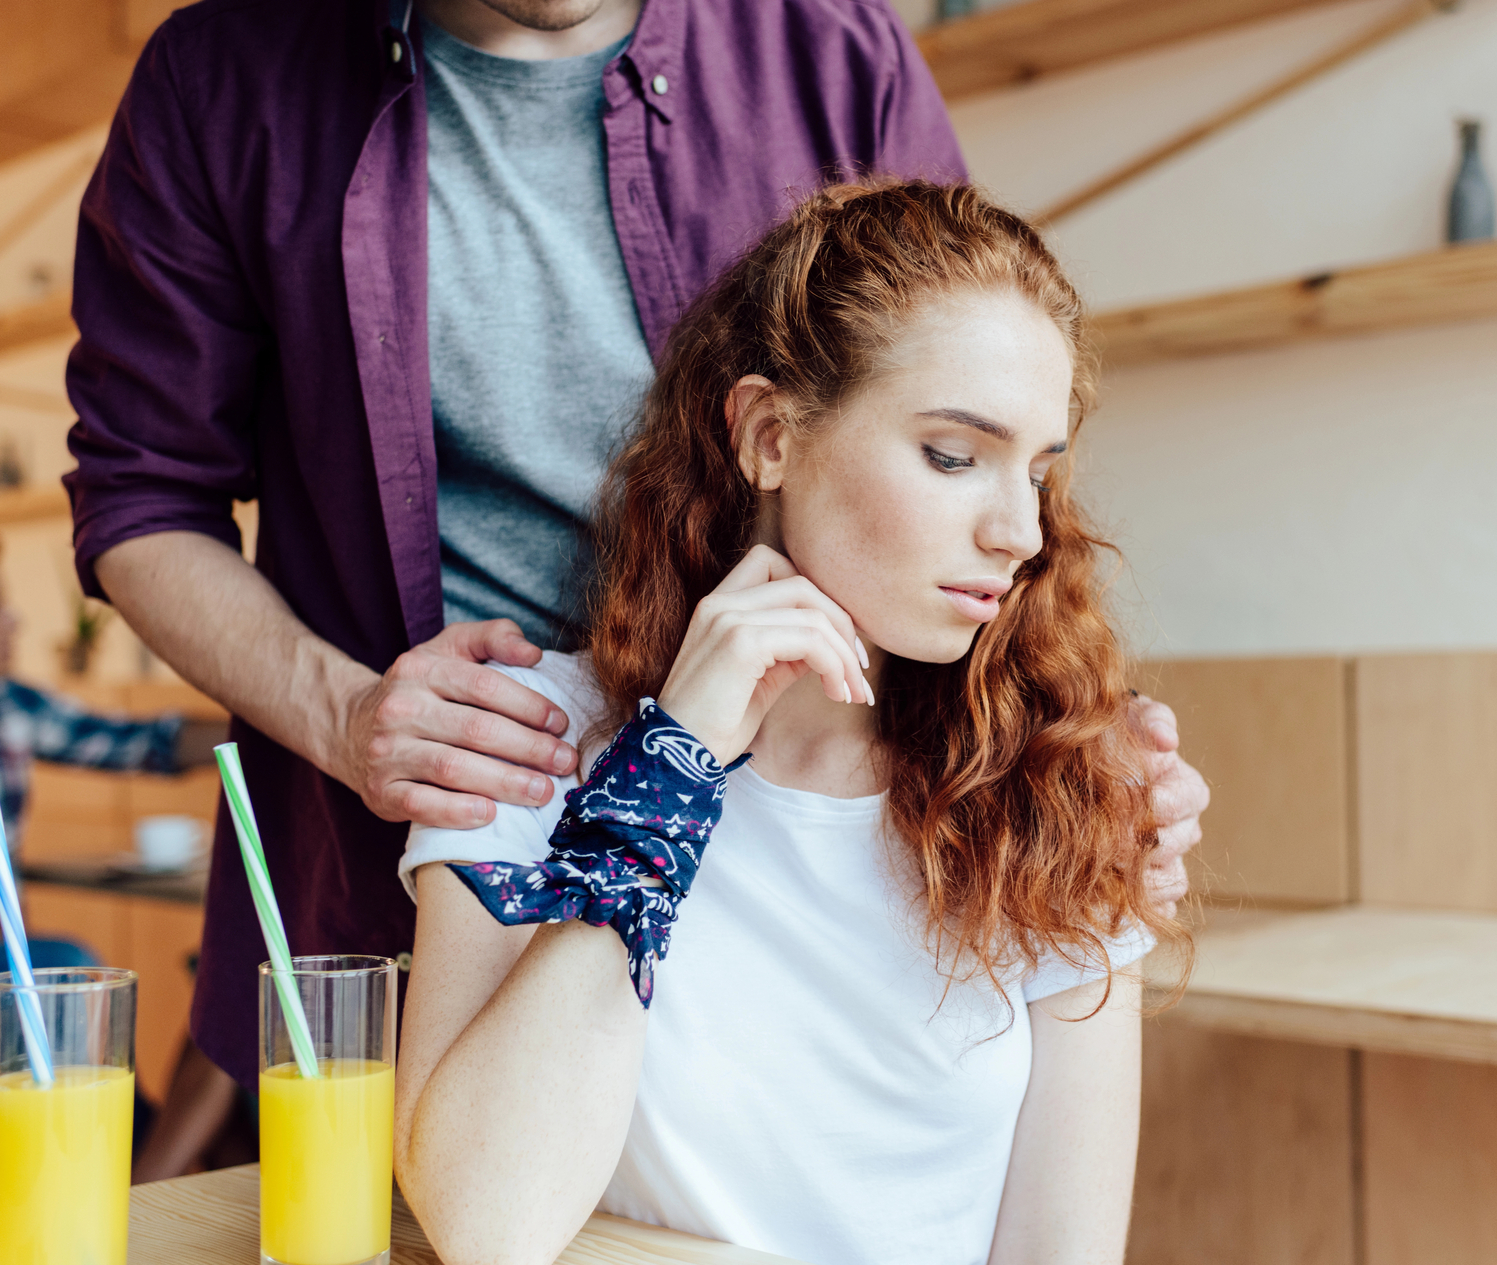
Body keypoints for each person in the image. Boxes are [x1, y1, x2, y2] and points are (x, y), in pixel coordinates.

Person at [65, 0, 1208, 1094]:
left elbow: (971, 403)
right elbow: (143, 497)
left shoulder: (834, 51)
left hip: (789, 833)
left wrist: (1063, 751)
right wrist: (346, 715)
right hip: (449, 831)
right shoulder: (219, 81)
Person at [395, 181, 1184, 1265]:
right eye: (953, 455)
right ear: (769, 435)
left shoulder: (1059, 793)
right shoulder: (526, 740)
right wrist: (671, 764)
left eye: (1037, 470)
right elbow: (489, 1228)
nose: (1017, 532)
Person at [0, 525, 223, 1097]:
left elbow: (136, 741)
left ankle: (133, 1169)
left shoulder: (5, 710)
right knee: (64, 975)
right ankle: (144, 1170)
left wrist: (266, 728)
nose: (12, 621)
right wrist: (11, 952)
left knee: (57, 1069)